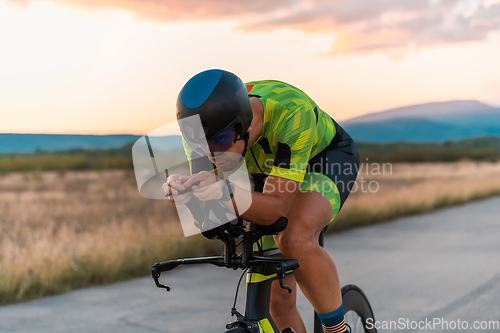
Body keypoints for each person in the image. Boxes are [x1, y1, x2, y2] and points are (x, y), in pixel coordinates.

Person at [163, 69, 359, 333]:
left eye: (220, 141)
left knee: (293, 236)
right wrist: (187, 192)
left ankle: (337, 330)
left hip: (323, 158)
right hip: (262, 164)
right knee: (277, 304)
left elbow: (275, 209)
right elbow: (214, 206)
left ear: (248, 125)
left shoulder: (291, 111)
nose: (211, 154)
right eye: (199, 145)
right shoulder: (206, 136)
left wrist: (225, 192)